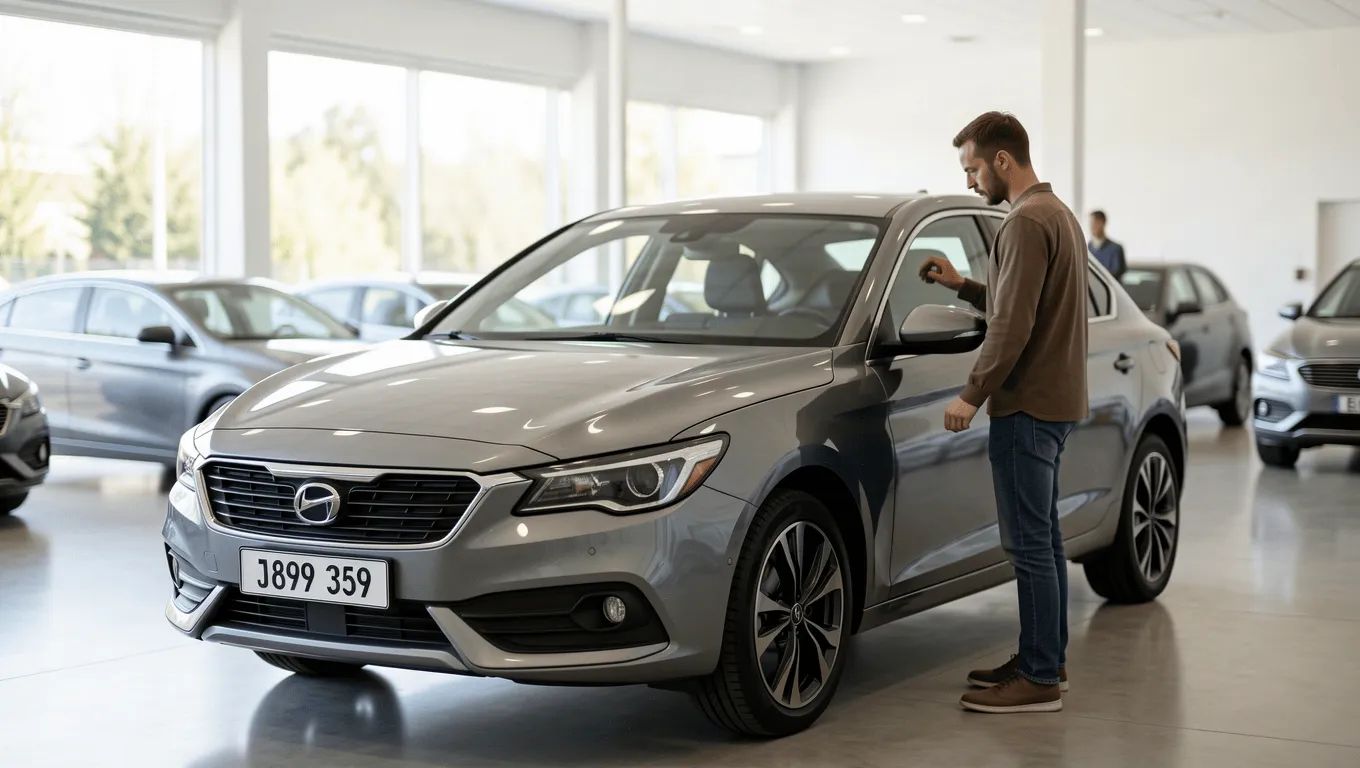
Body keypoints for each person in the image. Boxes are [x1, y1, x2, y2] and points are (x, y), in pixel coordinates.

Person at [916, 111, 1089, 714]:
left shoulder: (1021, 224)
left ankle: (1039, 678)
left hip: (1027, 406)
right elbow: (1024, 300)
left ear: (1001, 161)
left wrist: (972, 393)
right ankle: (1048, 660)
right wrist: (965, 286)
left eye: (972, 168)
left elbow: (1013, 324)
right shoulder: (1058, 215)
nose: (970, 182)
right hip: (1058, 402)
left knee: (1029, 545)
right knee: (1044, 539)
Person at [1087, 210, 1126, 279]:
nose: (1092, 226)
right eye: (1090, 223)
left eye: (1095, 223)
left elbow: (1116, 273)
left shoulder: (1116, 249)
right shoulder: (1087, 248)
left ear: (1103, 223)